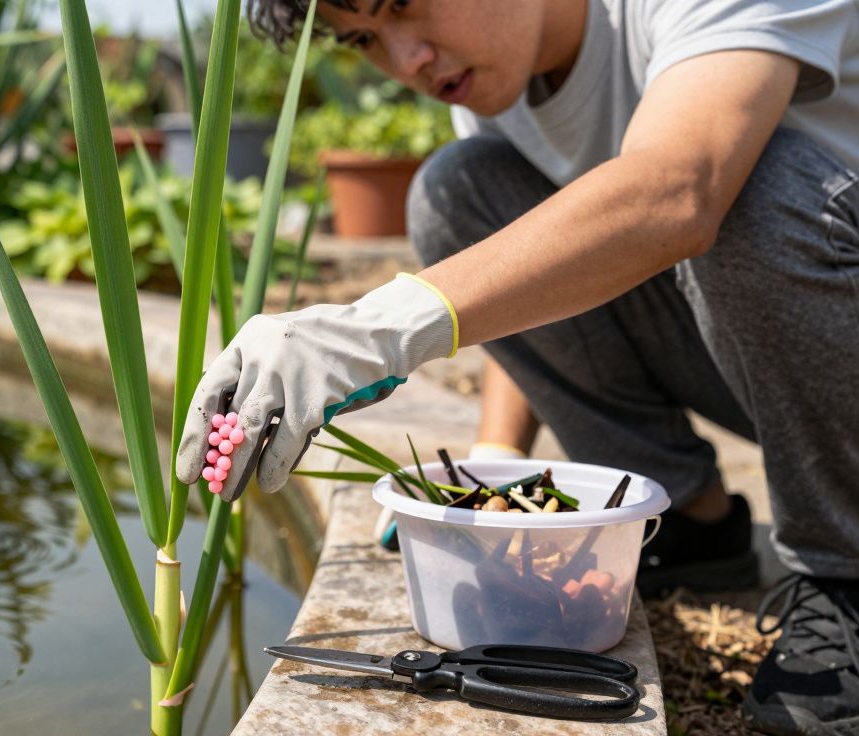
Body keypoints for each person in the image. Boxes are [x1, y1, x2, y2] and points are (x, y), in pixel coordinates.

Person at [174, 0, 859, 733]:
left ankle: (845, 574)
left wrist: (369, 330)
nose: (408, 61)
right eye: (365, 39)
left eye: (406, 5)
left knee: (749, 181)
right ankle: (691, 524)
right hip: (779, 360)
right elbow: (534, 278)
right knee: (461, 193)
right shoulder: (497, 79)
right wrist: (491, 468)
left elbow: (681, 189)